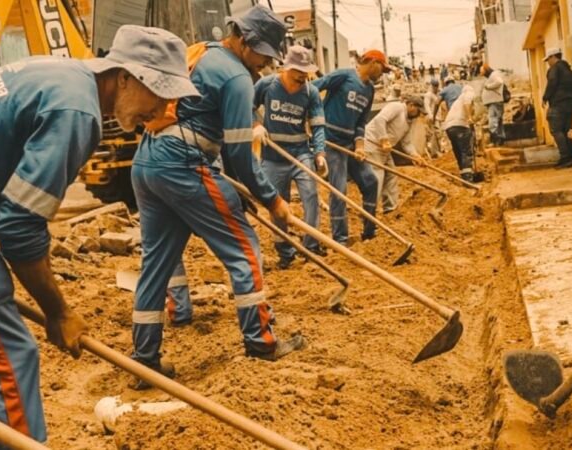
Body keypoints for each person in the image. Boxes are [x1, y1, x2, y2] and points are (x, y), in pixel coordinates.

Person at [0, 25, 196, 448]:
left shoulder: (62, 75)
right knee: (7, 358)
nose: (160, 109)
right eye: (158, 92)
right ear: (124, 76)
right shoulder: (77, 111)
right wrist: (58, 312)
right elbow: (20, 227)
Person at [131, 6, 306, 390]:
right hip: (183, 166)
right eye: (263, 55)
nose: (264, 65)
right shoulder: (236, 77)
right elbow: (240, 153)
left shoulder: (202, 52)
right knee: (244, 250)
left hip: (147, 162)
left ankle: (145, 360)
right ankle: (260, 341)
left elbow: (226, 149)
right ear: (244, 41)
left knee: (155, 263)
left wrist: (234, 189)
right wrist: (272, 201)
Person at [253, 45, 328, 269]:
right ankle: (285, 252)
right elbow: (246, 105)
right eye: (298, 71)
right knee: (277, 204)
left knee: (311, 197)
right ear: (287, 67)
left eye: (306, 72)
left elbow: (318, 126)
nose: (302, 76)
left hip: (300, 153)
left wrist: (320, 152)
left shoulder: (310, 92)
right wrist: (255, 124)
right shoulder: (266, 85)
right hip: (273, 156)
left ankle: (311, 247)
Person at [313, 49, 390, 245]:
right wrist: (312, 119)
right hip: (331, 143)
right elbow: (313, 89)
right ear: (372, 63)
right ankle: (341, 239)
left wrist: (359, 146)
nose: (383, 73)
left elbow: (361, 123)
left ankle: (369, 232)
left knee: (371, 182)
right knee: (339, 190)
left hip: (349, 144)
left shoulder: (370, 90)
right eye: (382, 68)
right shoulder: (343, 76)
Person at [364, 96, 426, 214]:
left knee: (391, 174)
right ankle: (369, 211)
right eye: (419, 111)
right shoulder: (397, 107)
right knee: (377, 176)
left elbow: (406, 143)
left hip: (385, 149)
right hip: (372, 143)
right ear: (411, 105)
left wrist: (415, 156)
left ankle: (390, 209)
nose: (419, 115)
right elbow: (380, 120)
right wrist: (383, 139)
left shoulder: (409, 121)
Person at [542, 48, 572, 167]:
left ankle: (565, 157)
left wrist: (545, 97)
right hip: (570, 103)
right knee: (567, 129)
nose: (548, 62)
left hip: (558, 104)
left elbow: (552, 83)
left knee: (556, 129)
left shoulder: (554, 69)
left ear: (553, 57)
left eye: (548, 59)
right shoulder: (568, 69)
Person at [443, 85, 479, 182]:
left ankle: (464, 173)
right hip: (460, 125)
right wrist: (470, 118)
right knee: (466, 151)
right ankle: (468, 177)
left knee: (458, 151)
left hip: (449, 127)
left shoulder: (457, 102)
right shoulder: (468, 93)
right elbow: (467, 103)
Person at [481, 64, 506, 146]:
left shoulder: (494, 75)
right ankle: (500, 139)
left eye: (482, 71)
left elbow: (499, 82)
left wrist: (489, 87)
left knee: (493, 121)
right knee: (498, 121)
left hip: (494, 102)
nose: (481, 73)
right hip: (494, 101)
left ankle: (495, 141)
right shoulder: (493, 75)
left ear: (486, 70)